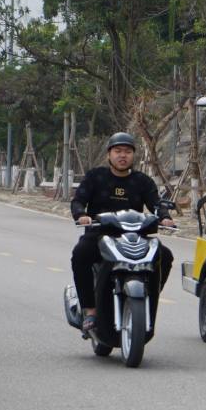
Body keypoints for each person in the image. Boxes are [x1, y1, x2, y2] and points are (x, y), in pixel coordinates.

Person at [70, 132, 174, 335]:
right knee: (80, 254)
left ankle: (149, 296)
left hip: (135, 235)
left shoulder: (142, 181)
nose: (122, 156)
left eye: (127, 151)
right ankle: (90, 310)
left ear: (134, 155)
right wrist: (81, 214)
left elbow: (156, 204)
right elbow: (78, 200)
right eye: (118, 151)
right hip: (100, 235)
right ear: (109, 154)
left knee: (165, 255)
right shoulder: (95, 177)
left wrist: (164, 217)